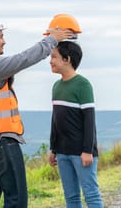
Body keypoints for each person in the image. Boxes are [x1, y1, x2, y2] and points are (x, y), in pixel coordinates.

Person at [0, 16, 73, 208]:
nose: (4, 41)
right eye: (0, 36)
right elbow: (23, 59)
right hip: (2, 141)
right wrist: (52, 39)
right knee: (16, 199)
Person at [48, 40, 103, 207]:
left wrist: (87, 151)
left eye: (54, 57)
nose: (50, 61)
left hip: (81, 153)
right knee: (71, 198)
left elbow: (89, 120)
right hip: (62, 152)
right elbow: (55, 120)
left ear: (67, 59)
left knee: (91, 195)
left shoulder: (83, 85)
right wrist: (53, 148)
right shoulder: (56, 86)